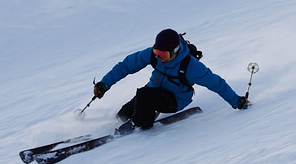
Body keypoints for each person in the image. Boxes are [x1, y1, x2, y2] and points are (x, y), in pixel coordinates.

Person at [92, 29, 249, 132]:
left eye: (163, 55)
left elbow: (217, 83)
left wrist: (237, 101)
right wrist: (104, 84)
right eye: (156, 52)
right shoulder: (153, 55)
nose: (159, 58)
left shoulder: (191, 66)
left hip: (175, 99)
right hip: (154, 91)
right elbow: (125, 66)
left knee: (144, 95)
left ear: (175, 51)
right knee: (124, 113)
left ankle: (140, 123)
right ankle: (126, 120)